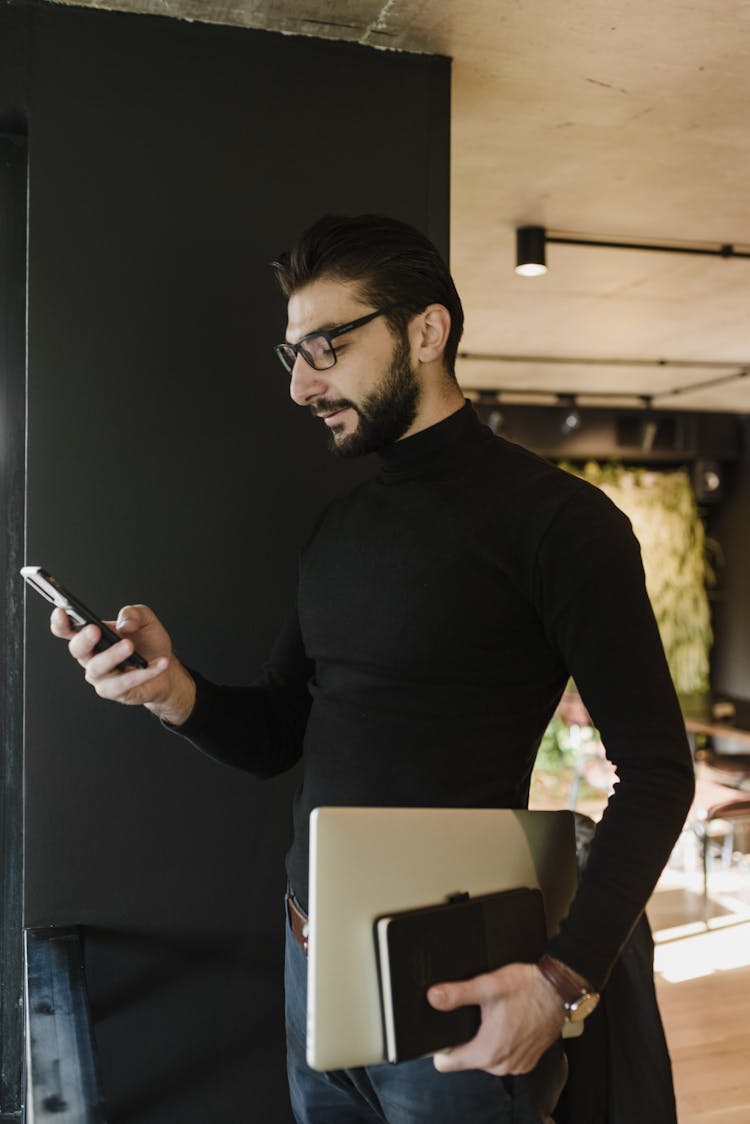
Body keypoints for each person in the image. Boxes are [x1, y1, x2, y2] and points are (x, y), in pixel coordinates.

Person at [52, 214, 695, 1123]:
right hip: (311, 965)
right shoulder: (339, 530)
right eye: (293, 355)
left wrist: (562, 982)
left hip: (461, 987)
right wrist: (169, 689)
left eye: (327, 347)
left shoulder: (562, 523)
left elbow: (661, 772)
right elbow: (281, 730)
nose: (302, 384)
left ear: (426, 332)